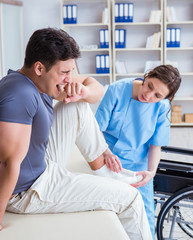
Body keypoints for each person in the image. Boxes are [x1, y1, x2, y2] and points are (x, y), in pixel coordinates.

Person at [0, 27, 153, 240]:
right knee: (132, 198)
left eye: (71, 71)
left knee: (77, 105)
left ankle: (105, 169)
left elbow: (98, 90)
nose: (69, 78)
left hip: (40, 164)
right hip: (30, 191)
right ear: (39, 68)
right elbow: (8, 163)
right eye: (64, 72)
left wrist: (83, 92)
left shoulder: (33, 81)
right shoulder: (20, 95)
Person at [95, 65, 181, 238]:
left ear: (166, 98)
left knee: (143, 219)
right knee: (108, 216)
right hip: (107, 160)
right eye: (149, 86)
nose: (148, 96)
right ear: (147, 76)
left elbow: (155, 145)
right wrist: (106, 153)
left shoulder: (162, 107)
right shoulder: (117, 90)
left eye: (158, 95)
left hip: (138, 167)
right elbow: (95, 131)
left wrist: (151, 172)